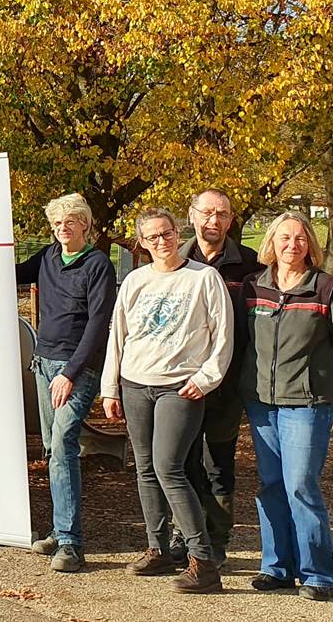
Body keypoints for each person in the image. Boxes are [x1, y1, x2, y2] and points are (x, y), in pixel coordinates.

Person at [101, 207, 232, 593]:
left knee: (169, 467)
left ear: (179, 234)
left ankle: (203, 561)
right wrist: (111, 388)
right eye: (153, 237)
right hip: (136, 383)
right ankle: (157, 548)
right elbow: (118, 336)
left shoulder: (204, 278)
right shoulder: (135, 281)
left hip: (180, 387)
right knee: (144, 468)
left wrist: (206, 379)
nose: (162, 242)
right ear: (141, 242)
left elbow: (223, 335)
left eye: (168, 234)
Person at [241, 212, 333, 602]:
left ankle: (317, 574)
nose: (291, 245)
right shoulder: (253, 287)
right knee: (271, 485)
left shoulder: (328, 288)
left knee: (301, 485)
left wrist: (328, 386)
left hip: (308, 404)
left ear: (310, 245)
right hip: (262, 404)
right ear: (272, 242)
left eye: (300, 238)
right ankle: (277, 567)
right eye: (284, 238)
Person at [16, 193, 116, 573]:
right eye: (57, 223)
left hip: (77, 368)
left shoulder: (98, 265)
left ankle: (71, 544)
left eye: (69, 222)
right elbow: (13, 272)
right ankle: (59, 531)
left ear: (85, 225)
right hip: (43, 362)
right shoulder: (47, 257)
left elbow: (97, 327)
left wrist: (70, 374)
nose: (62, 228)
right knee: (50, 447)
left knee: (63, 445)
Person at [175, 189, 262, 567]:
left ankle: (217, 539)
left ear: (230, 220)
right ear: (192, 216)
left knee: (218, 463)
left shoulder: (252, 266)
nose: (214, 220)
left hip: (227, 386)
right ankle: (186, 536)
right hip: (179, 384)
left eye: (222, 214)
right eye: (207, 213)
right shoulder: (175, 260)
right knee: (182, 460)